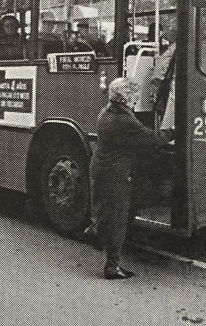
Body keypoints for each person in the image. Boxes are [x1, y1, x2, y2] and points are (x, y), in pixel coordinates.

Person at [85, 77, 174, 279]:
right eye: (134, 96)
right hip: (114, 174)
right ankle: (112, 266)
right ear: (126, 98)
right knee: (119, 219)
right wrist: (176, 131)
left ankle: (96, 230)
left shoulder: (106, 111)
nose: (136, 100)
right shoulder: (124, 119)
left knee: (119, 207)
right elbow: (152, 138)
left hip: (101, 169)